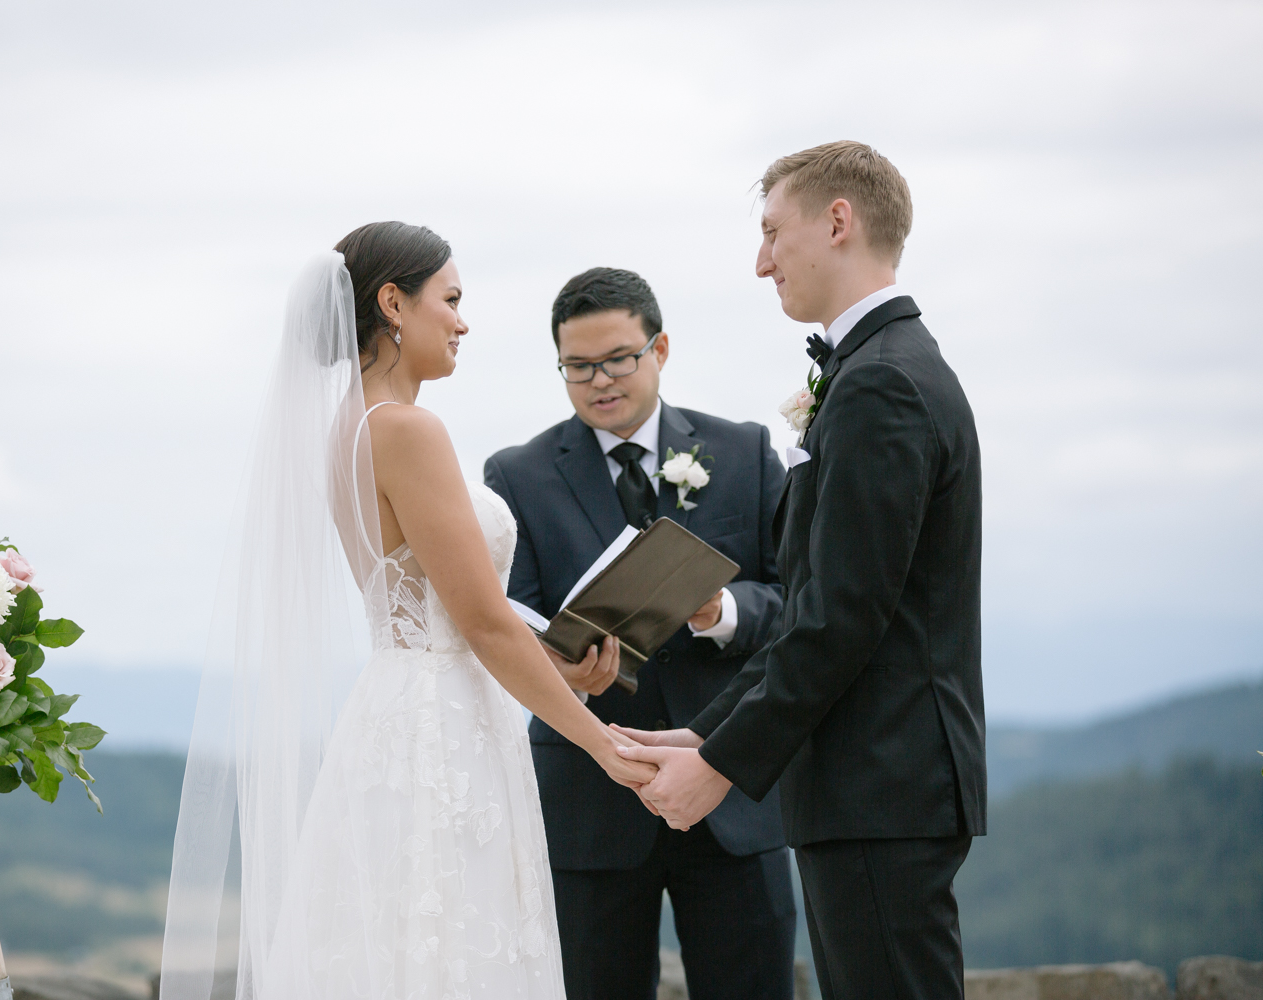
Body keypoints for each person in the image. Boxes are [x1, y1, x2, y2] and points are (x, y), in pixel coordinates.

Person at [160, 222, 656, 1000]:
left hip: (402, 709)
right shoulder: (407, 429)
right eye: (451, 300)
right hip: (442, 728)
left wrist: (557, 662)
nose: (463, 321)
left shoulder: (347, 427)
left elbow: (435, 605)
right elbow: (484, 620)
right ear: (393, 303)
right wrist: (600, 744)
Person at [616, 142, 986, 1000]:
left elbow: (842, 618)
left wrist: (720, 766)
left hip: (880, 783)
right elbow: (823, 606)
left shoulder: (882, 384)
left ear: (839, 221)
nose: (760, 262)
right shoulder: (880, 369)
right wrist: (709, 731)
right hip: (875, 786)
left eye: (773, 233)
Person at [484, 268, 796, 1000]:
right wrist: (565, 674)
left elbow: (798, 605)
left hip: (731, 790)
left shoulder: (745, 452)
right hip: (589, 802)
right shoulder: (518, 475)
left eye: (618, 358)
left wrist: (721, 612)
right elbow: (514, 621)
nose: (600, 381)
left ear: (659, 348)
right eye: (578, 366)